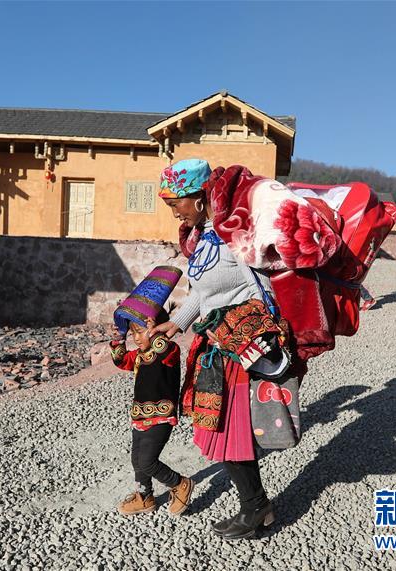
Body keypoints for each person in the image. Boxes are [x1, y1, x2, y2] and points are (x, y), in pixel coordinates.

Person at [149, 159, 332, 540]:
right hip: (215, 343)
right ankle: (256, 505)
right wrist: (177, 323)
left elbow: (269, 284)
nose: (174, 212)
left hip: (242, 349)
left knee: (232, 431)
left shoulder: (237, 234)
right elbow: (204, 293)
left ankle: (255, 508)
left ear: (199, 198)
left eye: (176, 203)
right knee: (226, 430)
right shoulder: (202, 238)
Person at [109, 267, 194, 517]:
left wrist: (156, 328)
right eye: (133, 333)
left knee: (148, 460)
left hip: (162, 417)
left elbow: (163, 347)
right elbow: (121, 360)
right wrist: (118, 340)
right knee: (137, 460)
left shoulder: (167, 351)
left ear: (155, 328)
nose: (136, 337)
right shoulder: (140, 355)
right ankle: (145, 497)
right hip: (140, 416)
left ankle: (179, 484)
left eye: (139, 331)